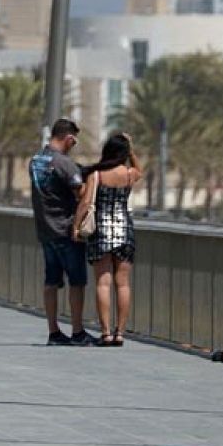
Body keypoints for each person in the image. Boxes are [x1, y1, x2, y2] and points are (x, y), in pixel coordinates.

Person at [30, 118, 95, 346]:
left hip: (45, 230)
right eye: (73, 141)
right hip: (67, 231)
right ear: (68, 138)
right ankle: (77, 331)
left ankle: (53, 331)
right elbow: (81, 193)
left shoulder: (36, 160)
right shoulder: (64, 163)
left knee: (51, 281)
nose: (73, 145)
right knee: (77, 281)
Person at [74, 133, 141, 347]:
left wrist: (76, 227)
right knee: (123, 284)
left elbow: (85, 203)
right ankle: (120, 333)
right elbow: (140, 170)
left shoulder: (97, 174)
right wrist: (131, 150)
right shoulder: (129, 174)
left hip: (101, 230)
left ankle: (105, 333)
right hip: (124, 230)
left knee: (103, 283)